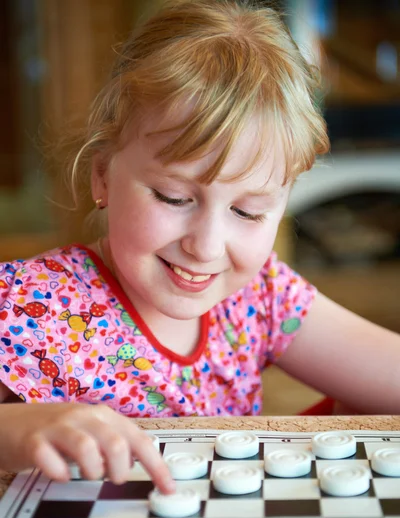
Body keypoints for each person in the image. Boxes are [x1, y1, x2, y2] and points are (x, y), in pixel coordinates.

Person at [0, 0, 399, 489]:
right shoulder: (30, 304)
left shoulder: (260, 295)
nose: (207, 247)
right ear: (102, 175)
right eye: (174, 197)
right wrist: (11, 429)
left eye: (248, 211)